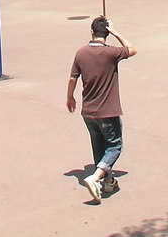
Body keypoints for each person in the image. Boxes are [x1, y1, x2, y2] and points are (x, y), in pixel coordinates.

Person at [66, 16, 137, 203]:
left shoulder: (81, 53)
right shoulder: (111, 53)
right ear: (106, 33)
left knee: (99, 148)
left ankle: (107, 181)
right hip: (108, 110)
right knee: (114, 145)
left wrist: (70, 97)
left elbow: (73, 78)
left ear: (91, 32)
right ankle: (95, 178)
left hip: (88, 111)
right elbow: (132, 49)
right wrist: (116, 32)